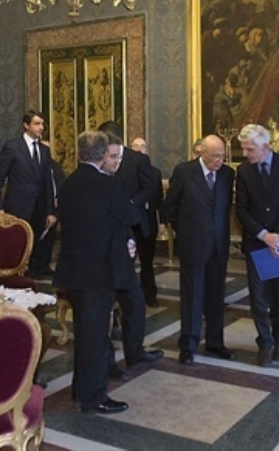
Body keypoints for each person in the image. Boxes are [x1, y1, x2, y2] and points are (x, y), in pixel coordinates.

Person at [52, 130, 138, 414]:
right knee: (96, 337)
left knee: (84, 334)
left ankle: (81, 388)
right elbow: (130, 216)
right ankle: (94, 397)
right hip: (99, 273)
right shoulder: (107, 185)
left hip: (72, 271)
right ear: (102, 155)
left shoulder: (67, 184)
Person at [164, 135, 236, 365]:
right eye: (215, 156)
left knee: (216, 297)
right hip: (193, 245)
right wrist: (186, 231)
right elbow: (170, 207)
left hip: (218, 246)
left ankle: (215, 342)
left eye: (222, 156)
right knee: (192, 297)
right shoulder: (184, 172)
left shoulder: (227, 174)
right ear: (201, 153)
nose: (219, 161)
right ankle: (188, 344)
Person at [235, 124, 279, 367]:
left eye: (250, 149)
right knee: (258, 299)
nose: (245, 154)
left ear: (265, 146)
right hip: (257, 242)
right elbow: (241, 209)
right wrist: (264, 235)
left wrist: (277, 236)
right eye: (243, 148)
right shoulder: (244, 170)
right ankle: (264, 342)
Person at [101, 133, 164, 376]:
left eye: (119, 156)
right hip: (104, 256)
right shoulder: (95, 181)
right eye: (113, 157)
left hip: (128, 235)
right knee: (105, 309)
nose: (117, 161)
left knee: (134, 300)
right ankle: (109, 364)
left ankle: (134, 353)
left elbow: (149, 191)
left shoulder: (134, 165)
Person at [0, 110, 56, 278]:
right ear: (26, 125)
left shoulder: (44, 150)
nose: (41, 127)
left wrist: (50, 211)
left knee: (38, 244)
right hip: (18, 206)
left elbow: (48, 183)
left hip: (40, 207)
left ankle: (35, 273)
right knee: (18, 245)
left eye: (42, 124)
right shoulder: (12, 147)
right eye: (37, 123)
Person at [130, 137, 163, 308]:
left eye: (142, 146)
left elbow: (159, 199)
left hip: (148, 222)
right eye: (135, 146)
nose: (139, 149)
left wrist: (162, 221)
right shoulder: (126, 171)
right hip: (130, 222)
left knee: (147, 261)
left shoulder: (155, 172)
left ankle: (150, 294)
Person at [37, 140, 66, 275]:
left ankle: (45, 264)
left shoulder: (55, 166)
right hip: (40, 206)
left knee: (51, 238)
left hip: (56, 206)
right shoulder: (36, 166)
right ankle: (37, 266)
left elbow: (61, 183)